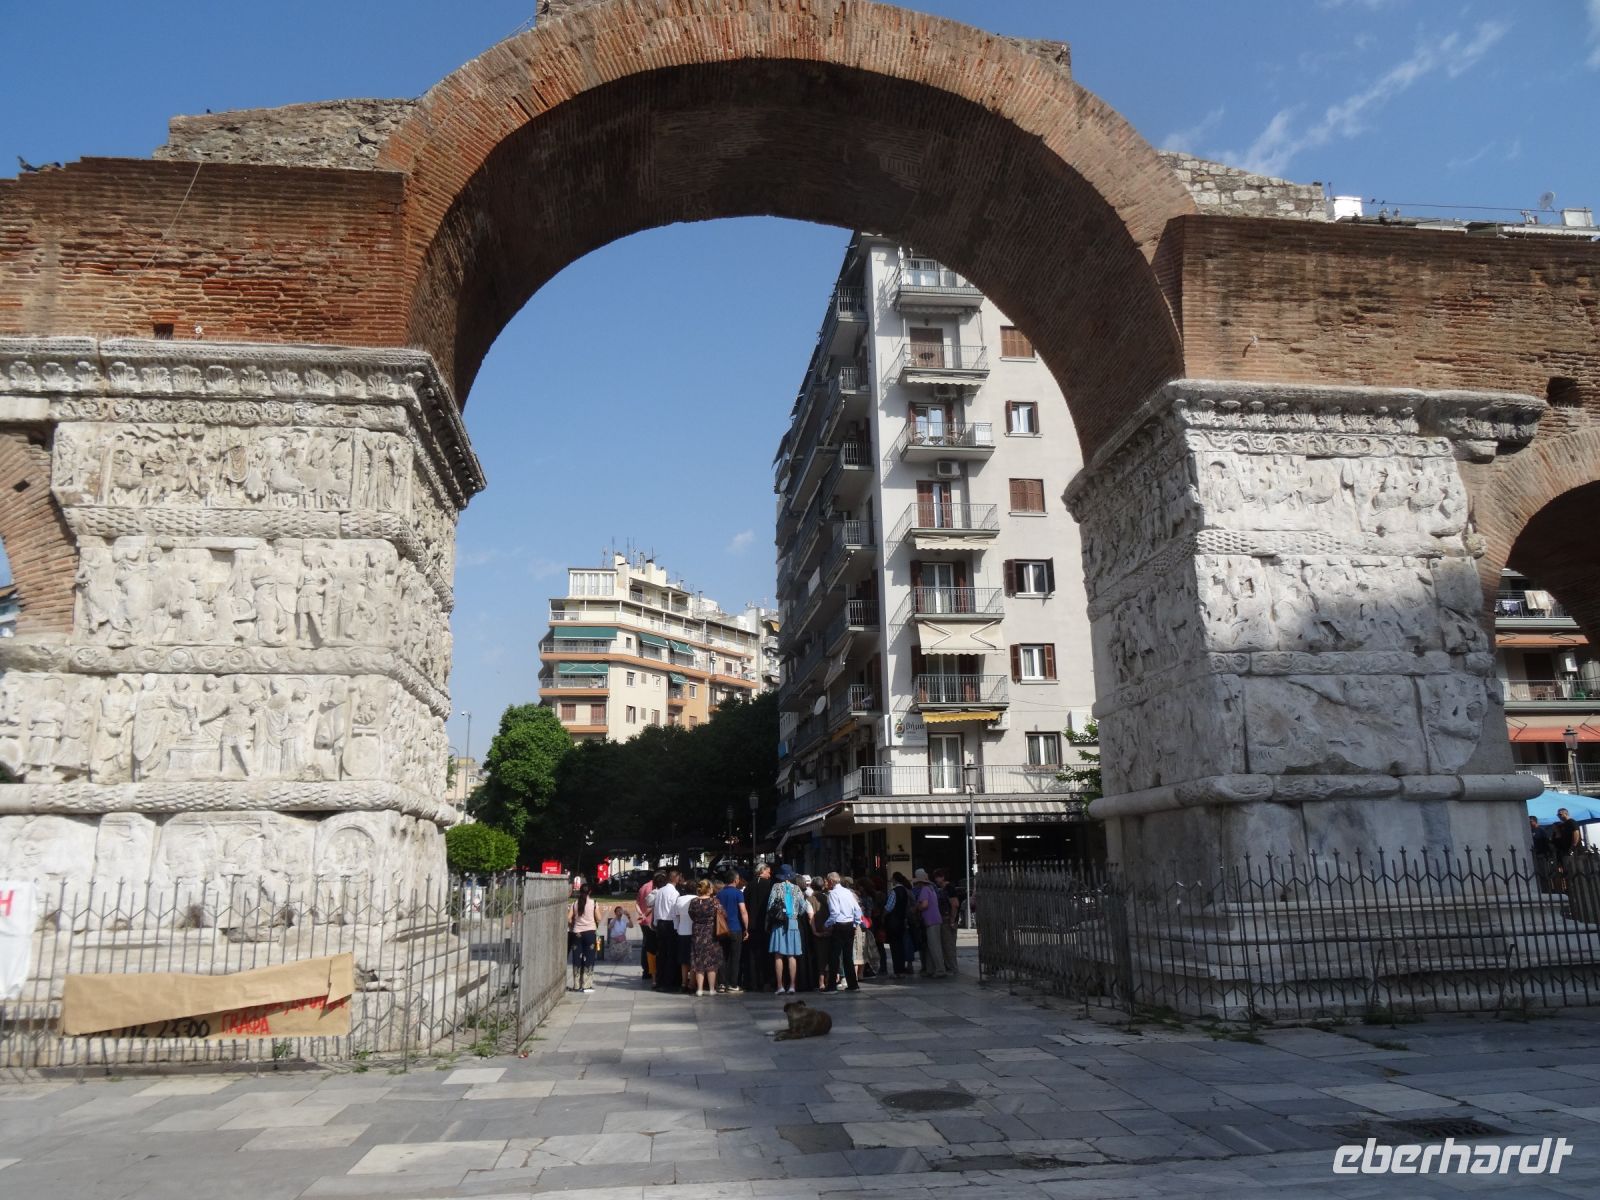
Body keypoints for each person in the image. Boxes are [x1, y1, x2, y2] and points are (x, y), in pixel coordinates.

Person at [767, 865, 805, 993]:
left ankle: (780, 986)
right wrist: (794, 914)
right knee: (791, 956)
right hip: (793, 923)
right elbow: (803, 907)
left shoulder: (776, 887)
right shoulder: (797, 888)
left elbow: (770, 905)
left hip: (779, 923)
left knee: (778, 956)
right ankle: (792, 986)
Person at [822, 872, 863, 991]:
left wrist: (826, 924)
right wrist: (855, 924)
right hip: (850, 926)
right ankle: (853, 985)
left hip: (839, 926)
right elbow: (857, 909)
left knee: (834, 957)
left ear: (830, 881)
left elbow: (834, 912)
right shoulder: (848, 892)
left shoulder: (833, 894)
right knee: (848, 956)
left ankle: (831, 986)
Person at [686, 878, 722, 996]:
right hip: (711, 933)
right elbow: (723, 914)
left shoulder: (694, 902)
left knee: (698, 961)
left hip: (697, 933)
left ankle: (699, 989)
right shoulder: (714, 902)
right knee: (711, 961)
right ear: (709, 889)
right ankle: (712, 989)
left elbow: (691, 914)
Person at [716, 871, 749, 994]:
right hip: (736, 928)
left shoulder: (719, 894)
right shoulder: (738, 894)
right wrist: (746, 928)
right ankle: (733, 984)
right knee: (735, 958)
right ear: (736, 880)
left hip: (722, 929)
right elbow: (743, 911)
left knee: (722, 956)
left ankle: (721, 984)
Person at [649, 870, 681, 992]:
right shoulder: (674, 893)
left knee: (661, 953)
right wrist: (676, 927)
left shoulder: (660, 891)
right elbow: (674, 912)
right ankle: (669, 982)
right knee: (670, 954)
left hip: (661, 923)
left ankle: (659, 980)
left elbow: (656, 908)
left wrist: (656, 922)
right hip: (669, 924)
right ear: (676, 879)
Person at [912, 868, 947, 977]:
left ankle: (940, 970)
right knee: (931, 946)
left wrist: (917, 908)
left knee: (934, 946)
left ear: (919, 882)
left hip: (931, 921)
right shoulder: (931, 888)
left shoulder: (924, 890)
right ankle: (931, 969)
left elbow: (925, 905)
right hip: (935, 920)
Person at [745, 863, 773, 991]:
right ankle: (766, 981)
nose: (769, 874)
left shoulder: (749, 885)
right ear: (762, 871)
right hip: (765, 924)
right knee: (765, 953)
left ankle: (752, 982)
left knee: (752, 954)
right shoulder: (769, 885)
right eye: (768, 872)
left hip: (751, 924)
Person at [568, 884, 597, 993]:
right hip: (590, 932)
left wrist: (573, 925)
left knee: (577, 958)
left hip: (577, 933)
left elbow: (568, 918)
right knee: (589, 957)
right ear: (590, 891)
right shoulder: (594, 903)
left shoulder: (575, 903)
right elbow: (598, 917)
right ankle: (586, 984)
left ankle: (576, 985)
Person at [933, 868, 961, 977]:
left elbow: (955, 904)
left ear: (943, 877)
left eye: (937, 877)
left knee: (949, 946)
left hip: (947, 920)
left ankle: (954, 969)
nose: (936, 879)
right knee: (945, 945)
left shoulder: (949, 888)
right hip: (944, 919)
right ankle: (950, 967)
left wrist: (952, 920)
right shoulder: (942, 888)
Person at [885, 872, 914, 976]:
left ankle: (897, 970)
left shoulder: (894, 891)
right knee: (901, 945)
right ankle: (901, 969)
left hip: (894, 922)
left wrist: (883, 915)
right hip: (902, 921)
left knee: (895, 947)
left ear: (895, 880)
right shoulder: (905, 891)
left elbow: (889, 907)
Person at [672, 878, 697, 992]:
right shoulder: (697, 899)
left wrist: (676, 928)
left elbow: (675, 916)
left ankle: (683, 982)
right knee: (692, 959)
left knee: (683, 960)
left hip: (682, 931)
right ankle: (692, 983)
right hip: (694, 932)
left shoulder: (680, 899)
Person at [636, 872, 656, 981]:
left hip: (644, 921)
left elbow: (637, 903)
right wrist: (645, 915)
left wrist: (641, 915)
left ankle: (646, 969)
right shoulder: (653, 888)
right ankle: (650, 970)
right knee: (651, 947)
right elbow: (651, 906)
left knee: (645, 945)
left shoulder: (643, 887)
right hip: (651, 921)